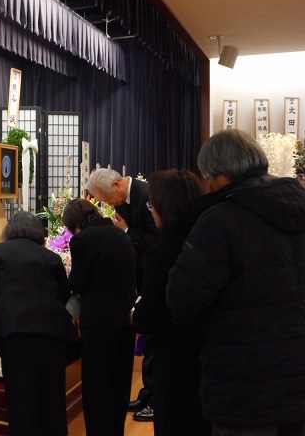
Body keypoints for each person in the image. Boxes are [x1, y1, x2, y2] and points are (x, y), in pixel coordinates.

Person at [167, 129, 305, 436]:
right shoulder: (300, 205)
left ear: (222, 174)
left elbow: (183, 300)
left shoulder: (220, 220)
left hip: (245, 383)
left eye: (209, 176)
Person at [0, 211, 79, 436]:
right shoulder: (50, 257)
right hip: (52, 334)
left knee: (20, 396)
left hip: (15, 333)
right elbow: (63, 295)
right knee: (52, 396)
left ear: (10, 230)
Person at [132, 170, 210, 436]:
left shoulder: (161, 253)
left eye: (152, 205)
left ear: (166, 207)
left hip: (175, 359)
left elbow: (149, 315)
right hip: (212, 357)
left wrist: (136, 314)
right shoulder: (212, 241)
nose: (151, 212)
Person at [87, 168, 159, 421]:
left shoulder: (147, 194)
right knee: (147, 338)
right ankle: (147, 393)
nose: (109, 205)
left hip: (156, 275)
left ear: (117, 185)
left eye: (108, 200)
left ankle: (155, 398)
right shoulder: (123, 198)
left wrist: (127, 232)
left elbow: (158, 239)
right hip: (140, 275)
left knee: (153, 341)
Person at [62, 198, 136, 436]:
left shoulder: (83, 240)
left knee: (97, 387)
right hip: (126, 320)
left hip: (99, 323)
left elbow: (79, 282)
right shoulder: (120, 234)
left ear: (74, 223)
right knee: (120, 383)